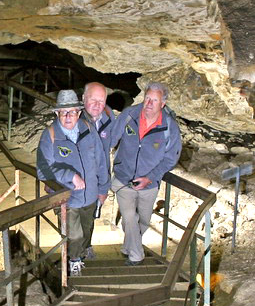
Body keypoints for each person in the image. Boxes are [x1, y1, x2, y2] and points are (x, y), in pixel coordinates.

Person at [36, 89, 109, 277]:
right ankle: (74, 261)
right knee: (74, 234)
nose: (68, 116)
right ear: (57, 114)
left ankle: (82, 251)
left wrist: (103, 189)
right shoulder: (50, 135)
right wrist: (70, 175)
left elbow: (101, 161)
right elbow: (43, 169)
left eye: (72, 112)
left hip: (90, 194)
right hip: (66, 196)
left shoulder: (89, 129)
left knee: (87, 228)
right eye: (63, 112)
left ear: (79, 112)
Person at [109, 82, 181, 266]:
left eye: (154, 100)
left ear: (162, 104)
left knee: (143, 222)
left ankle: (128, 246)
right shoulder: (129, 115)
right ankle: (136, 255)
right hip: (124, 178)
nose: (148, 103)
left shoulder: (169, 126)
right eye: (147, 98)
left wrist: (150, 177)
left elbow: (171, 157)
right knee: (129, 218)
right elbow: (110, 140)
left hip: (149, 183)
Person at [80, 82, 116, 260]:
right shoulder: (73, 118)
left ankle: (85, 246)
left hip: (97, 177)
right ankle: (73, 255)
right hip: (77, 178)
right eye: (92, 100)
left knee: (91, 215)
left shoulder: (109, 118)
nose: (96, 105)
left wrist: (103, 187)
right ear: (83, 99)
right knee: (73, 218)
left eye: (100, 101)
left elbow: (110, 147)